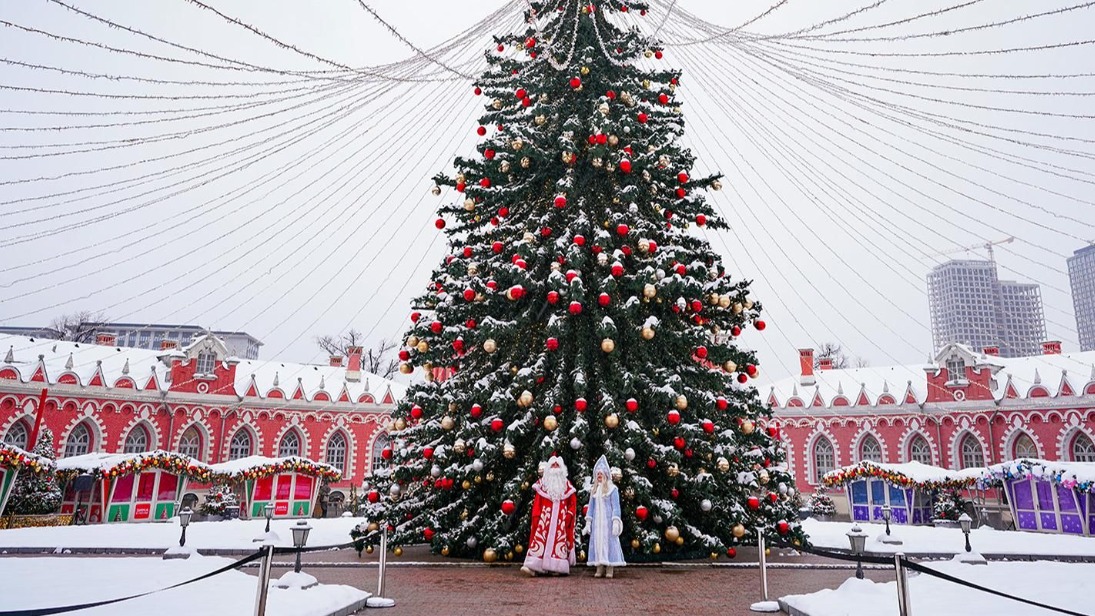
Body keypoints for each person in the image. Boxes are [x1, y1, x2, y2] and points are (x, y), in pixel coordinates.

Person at [521, 456, 577, 576]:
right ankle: (533, 567)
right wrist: (536, 517)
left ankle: (556, 567)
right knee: (539, 543)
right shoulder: (542, 484)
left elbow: (572, 503)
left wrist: (569, 514)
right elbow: (537, 503)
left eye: (557, 466)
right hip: (544, 520)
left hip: (560, 522)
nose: (555, 468)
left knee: (558, 543)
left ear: (562, 469)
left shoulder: (566, 485)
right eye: (553, 466)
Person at [585, 455, 626, 578]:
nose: (599, 476)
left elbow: (616, 507)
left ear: (606, 475)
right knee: (598, 543)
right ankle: (599, 567)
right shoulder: (594, 491)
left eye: (601, 474)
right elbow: (590, 508)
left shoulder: (612, 489)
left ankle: (610, 568)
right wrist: (588, 522)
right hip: (598, 524)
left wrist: (615, 521)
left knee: (609, 543)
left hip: (607, 524)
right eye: (597, 475)